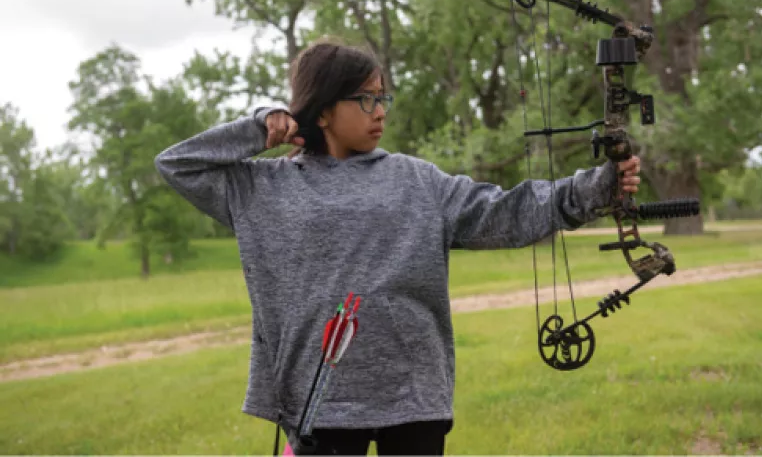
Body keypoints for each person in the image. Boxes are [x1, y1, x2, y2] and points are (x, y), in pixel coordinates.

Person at [154, 38, 642, 455]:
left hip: (413, 396)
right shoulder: (263, 188)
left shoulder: (415, 179)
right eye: (366, 99)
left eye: (383, 97)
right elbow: (178, 165)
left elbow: (504, 211)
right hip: (316, 398)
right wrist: (260, 124)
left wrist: (595, 188)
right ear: (323, 109)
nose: (381, 110)